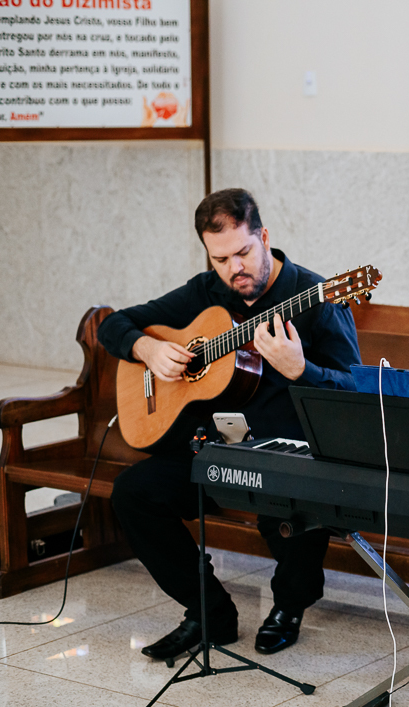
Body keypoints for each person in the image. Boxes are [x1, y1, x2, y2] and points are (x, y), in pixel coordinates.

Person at [98, 188, 361, 661]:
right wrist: (148, 349)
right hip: (216, 450)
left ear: (263, 237)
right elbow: (114, 324)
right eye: (220, 259)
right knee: (133, 494)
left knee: (302, 504)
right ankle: (209, 612)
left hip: (287, 458)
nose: (234, 269)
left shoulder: (317, 298)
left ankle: (289, 605)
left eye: (243, 252)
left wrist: (303, 370)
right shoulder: (208, 292)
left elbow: (354, 395)